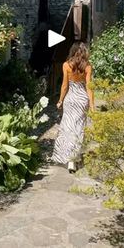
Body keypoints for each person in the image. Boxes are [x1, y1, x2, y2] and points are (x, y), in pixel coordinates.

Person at [52, 41, 94, 172]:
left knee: (68, 128)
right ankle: (74, 158)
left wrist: (60, 100)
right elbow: (89, 87)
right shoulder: (87, 67)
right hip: (82, 100)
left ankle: (69, 160)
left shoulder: (66, 65)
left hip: (70, 99)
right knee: (79, 128)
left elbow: (65, 86)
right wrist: (92, 106)